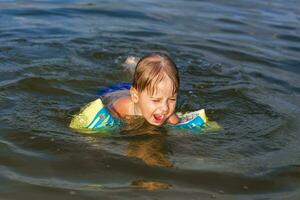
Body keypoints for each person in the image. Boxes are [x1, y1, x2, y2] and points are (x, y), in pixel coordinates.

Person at [108, 52, 180, 126]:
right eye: (156, 100)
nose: (165, 108)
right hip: (116, 91)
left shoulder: (170, 116)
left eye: (172, 99)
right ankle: (131, 65)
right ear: (136, 97)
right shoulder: (121, 108)